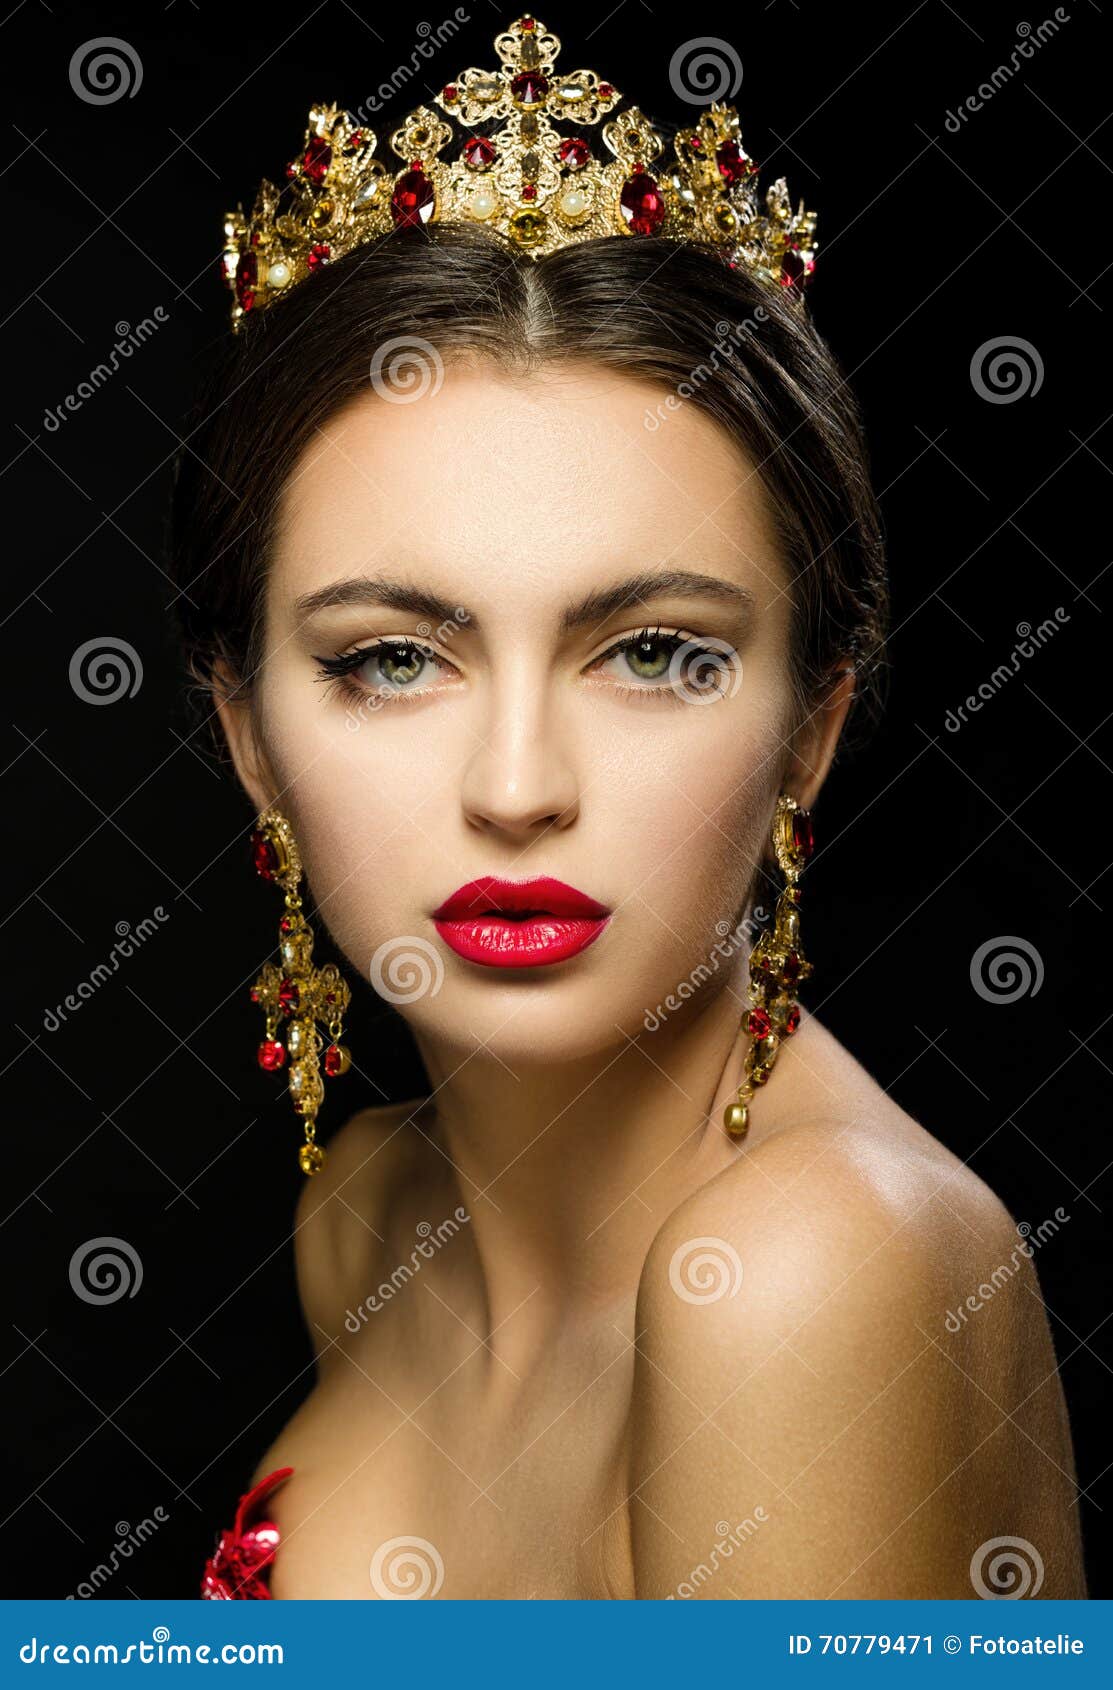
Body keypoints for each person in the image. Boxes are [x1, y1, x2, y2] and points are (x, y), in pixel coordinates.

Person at [184, 11, 1086, 1601]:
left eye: (654, 652)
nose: (518, 788)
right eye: (393, 658)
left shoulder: (813, 1274)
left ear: (813, 723)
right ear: (248, 732)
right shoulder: (373, 1217)